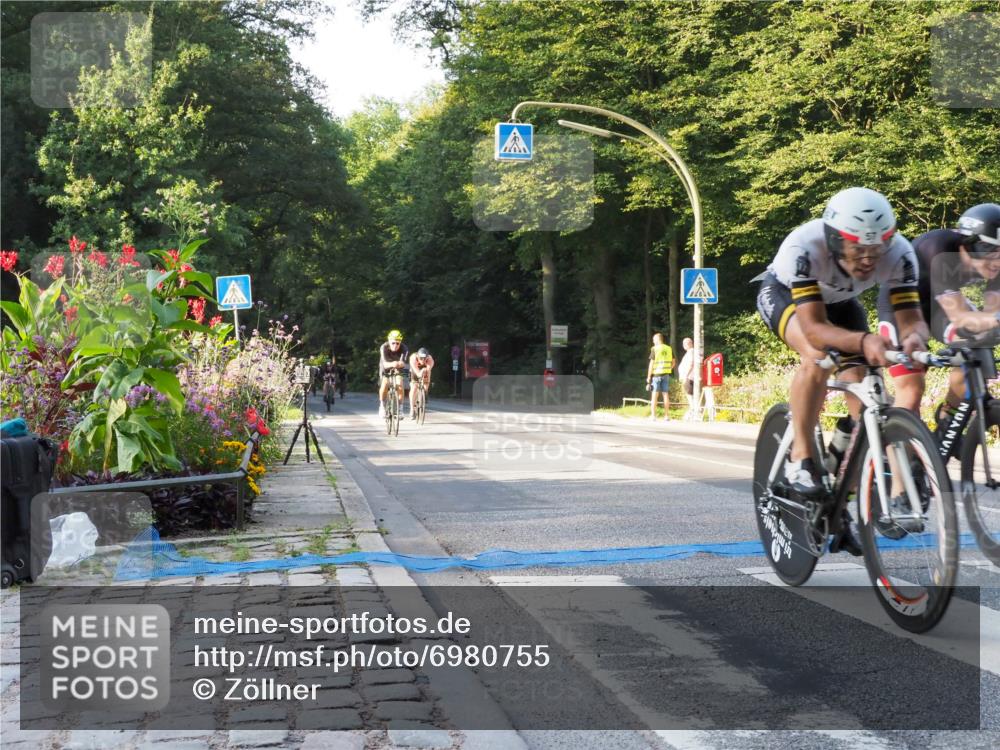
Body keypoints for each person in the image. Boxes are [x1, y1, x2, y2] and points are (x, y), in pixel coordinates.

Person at [755, 187, 931, 552]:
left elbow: (910, 319)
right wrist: (864, 341)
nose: (867, 260)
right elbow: (815, 328)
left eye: (876, 250)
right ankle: (802, 456)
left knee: (865, 399)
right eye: (857, 250)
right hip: (787, 297)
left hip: (842, 305)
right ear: (835, 240)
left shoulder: (900, 253)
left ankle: (840, 493)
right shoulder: (805, 247)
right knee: (818, 355)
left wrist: (914, 339)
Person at [877, 202, 1000, 445]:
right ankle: (901, 459)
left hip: (939, 307)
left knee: (978, 345)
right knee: (911, 390)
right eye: (990, 251)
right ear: (968, 245)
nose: (997, 261)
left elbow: (990, 316)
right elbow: (961, 318)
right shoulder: (938, 248)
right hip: (901, 307)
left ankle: (947, 418)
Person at [378, 330, 409, 419]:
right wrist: (393, 364)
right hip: (386, 365)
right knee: (384, 384)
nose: (395, 345)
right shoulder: (383, 347)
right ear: (389, 341)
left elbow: (403, 363)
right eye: (393, 343)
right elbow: (385, 364)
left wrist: (398, 365)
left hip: (399, 366)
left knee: (400, 384)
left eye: (397, 343)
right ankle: (382, 406)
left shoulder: (404, 348)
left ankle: (400, 409)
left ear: (400, 342)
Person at [645, 332, 675, 421]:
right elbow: (673, 362)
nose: (653, 341)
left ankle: (653, 416)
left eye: (654, 340)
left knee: (655, 395)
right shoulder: (669, 348)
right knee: (665, 394)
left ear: (658, 339)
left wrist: (649, 376)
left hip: (656, 375)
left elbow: (651, 364)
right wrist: (669, 368)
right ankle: (666, 416)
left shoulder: (655, 349)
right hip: (666, 375)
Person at [408, 347, 435, 419]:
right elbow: (417, 373)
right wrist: (421, 372)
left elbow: (428, 370)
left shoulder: (430, 359)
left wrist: (426, 383)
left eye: (424, 358)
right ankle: (412, 409)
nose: (423, 360)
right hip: (415, 371)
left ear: (427, 357)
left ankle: (424, 395)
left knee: (426, 384)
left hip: (425, 370)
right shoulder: (413, 358)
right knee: (414, 387)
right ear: (417, 356)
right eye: (421, 358)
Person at [677, 337, 697, 420]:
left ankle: (693, 411)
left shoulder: (691, 352)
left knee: (690, 395)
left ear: (689, 343)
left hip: (689, 377)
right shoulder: (690, 352)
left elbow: (691, 364)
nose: (683, 345)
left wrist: (685, 375)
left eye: (684, 343)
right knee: (690, 395)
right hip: (689, 377)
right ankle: (693, 410)